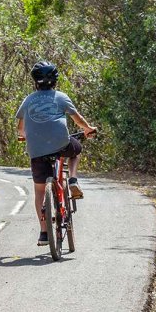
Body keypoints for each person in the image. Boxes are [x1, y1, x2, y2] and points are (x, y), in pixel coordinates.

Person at [15, 61, 98, 246]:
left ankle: (44, 233)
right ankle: (73, 180)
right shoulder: (61, 97)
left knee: (39, 191)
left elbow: (20, 128)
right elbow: (78, 120)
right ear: (55, 81)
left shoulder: (28, 100)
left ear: (35, 81)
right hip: (61, 144)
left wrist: (25, 136)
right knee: (76, 150)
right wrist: (88, 129)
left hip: (36, 150)